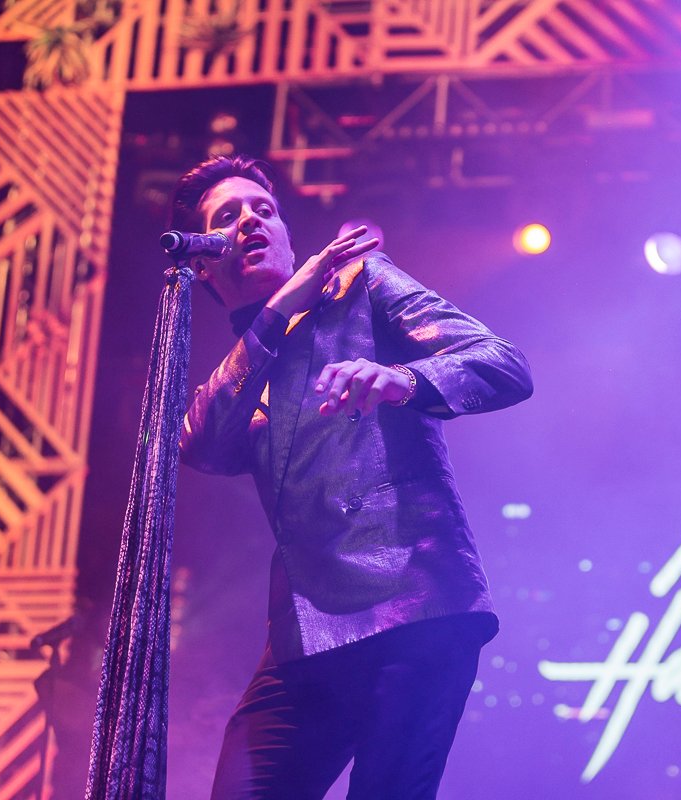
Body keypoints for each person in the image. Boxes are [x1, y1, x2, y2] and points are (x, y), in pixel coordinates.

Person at [170, 154, 533, 799]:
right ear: (203, 262)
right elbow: (200, 444)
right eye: (228, 216)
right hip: (304, 633)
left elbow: (503, 363)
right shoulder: (243, 369)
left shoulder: (361, 284)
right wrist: (276, 310)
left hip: (415, 601)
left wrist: (404, 379)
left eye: (264, 210)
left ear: (288, 236)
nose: (251, 220)